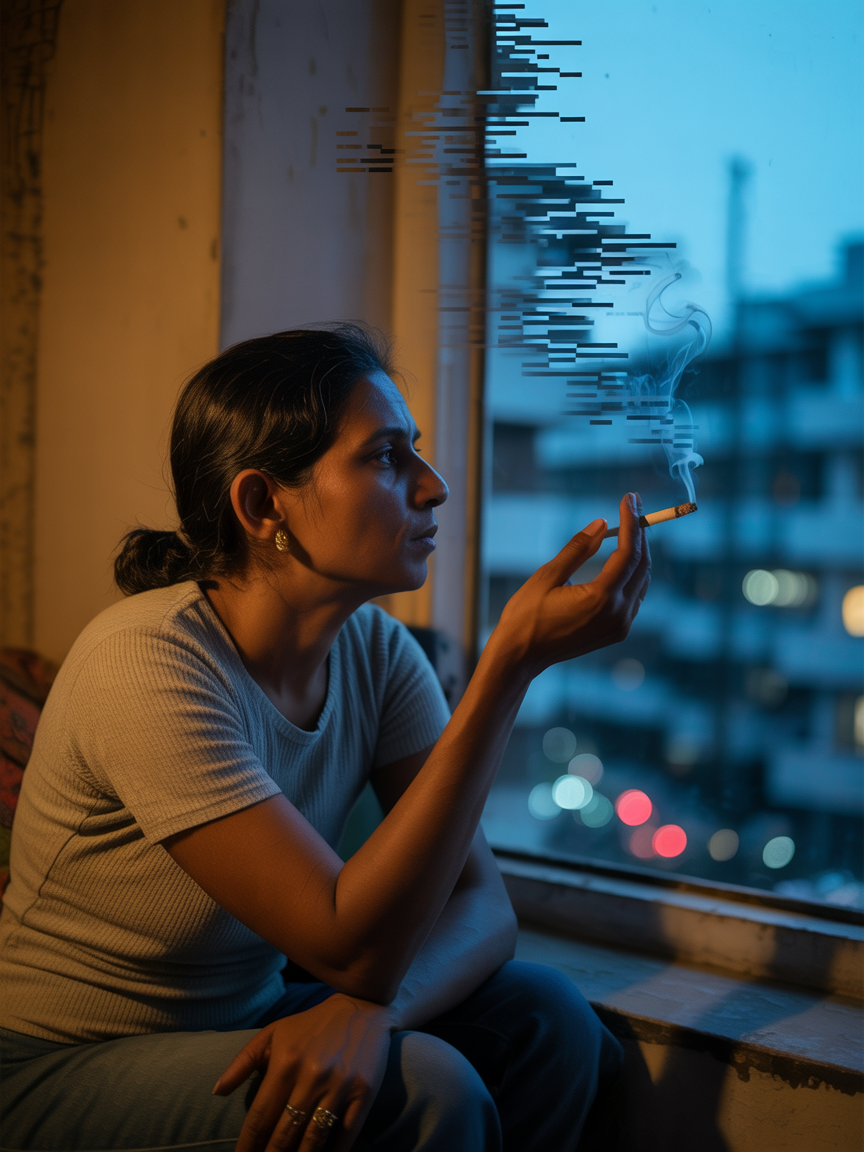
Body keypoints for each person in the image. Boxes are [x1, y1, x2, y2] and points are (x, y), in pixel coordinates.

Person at [0, 325, 649, 1152]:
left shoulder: (376, 652)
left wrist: (367, 1017)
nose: (435, 486)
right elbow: (351, 945)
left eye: (415, 449)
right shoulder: (147, 662)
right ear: (263, 505)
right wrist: (509, 667)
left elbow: (481, 906)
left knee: (547, 1018)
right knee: (425, 1092)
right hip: (56, 1063)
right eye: (385, 456)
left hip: (244, 1017)